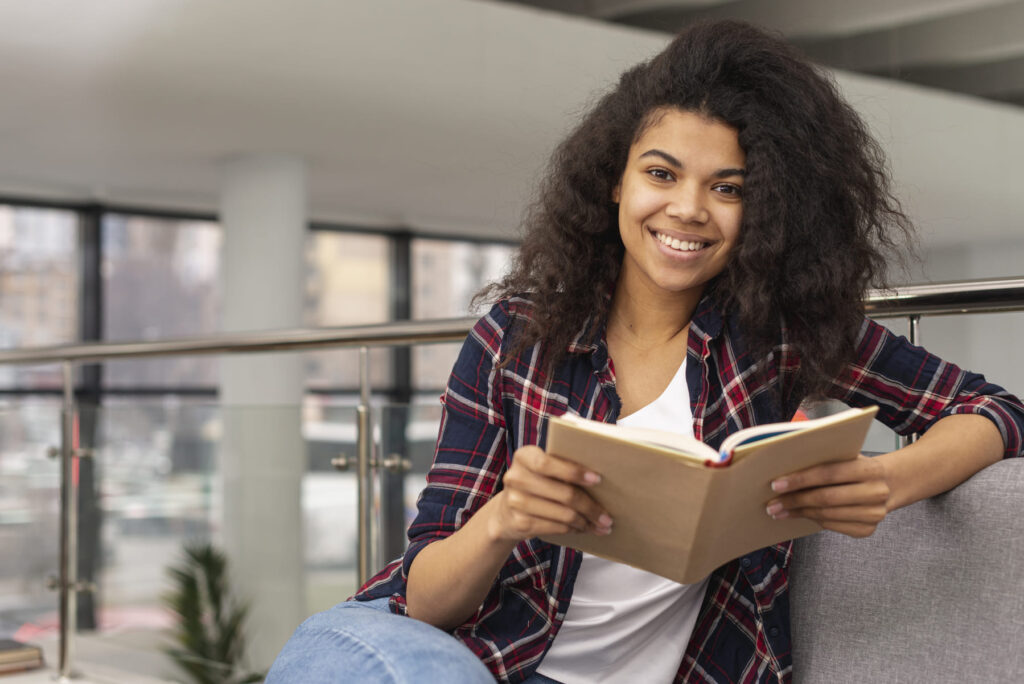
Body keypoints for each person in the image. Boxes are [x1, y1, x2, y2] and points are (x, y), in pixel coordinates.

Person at [267, 19, 1024, 684]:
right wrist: (504, 518)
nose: (687, 209)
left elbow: (996, 410)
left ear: (765, 209)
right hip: (457, 659)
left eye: (727, 188)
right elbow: (426, 600)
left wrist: (889, 480)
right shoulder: (513, 339)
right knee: (353, 653)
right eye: (660, 174)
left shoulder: (779, 335)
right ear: (614, 183)